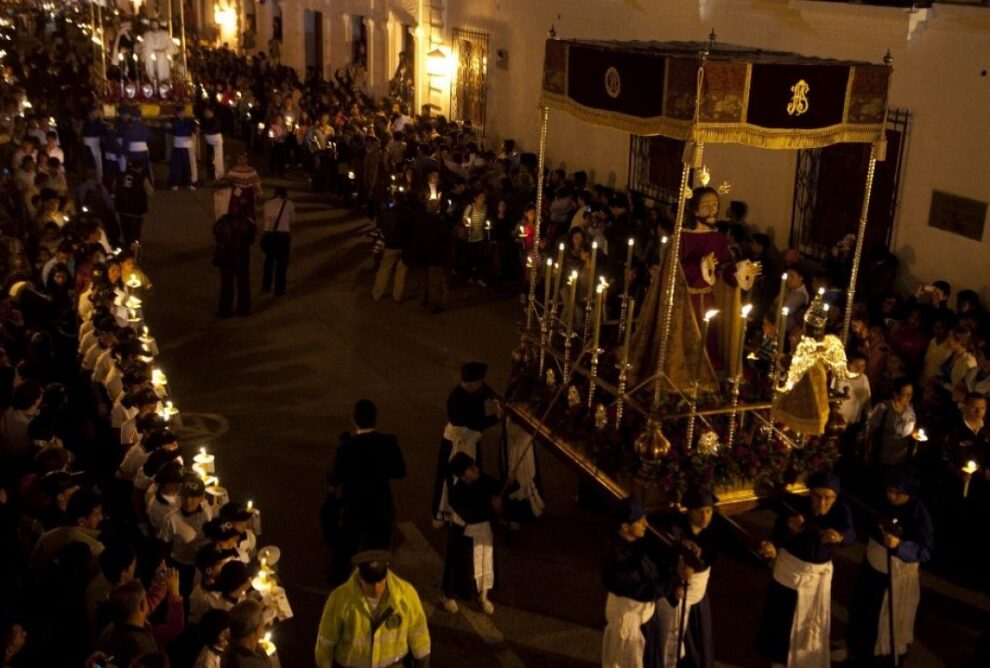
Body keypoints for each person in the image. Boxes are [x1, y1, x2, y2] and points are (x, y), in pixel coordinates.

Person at [756, 471, 855, 668]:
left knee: (810, 625)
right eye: (817, 496)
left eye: (828, 498)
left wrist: (840, 538)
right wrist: (787, 534)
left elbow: (850, 532)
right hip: (790, 575)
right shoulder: (795, 507)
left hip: (816, 579)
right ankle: (778, 660)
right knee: (782, 621)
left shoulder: (841, 510)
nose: (822, 503)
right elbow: (776, 537)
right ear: (810, 493)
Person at [846, 469, 934, 665]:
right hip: (871, 568)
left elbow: (925, 551)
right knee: (862, 612)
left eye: (898, 493)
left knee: (884, 620)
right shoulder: (881, 501)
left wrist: (899, 546)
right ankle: (857, 651)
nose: (892, 496)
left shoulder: (918, 513)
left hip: (894, 576)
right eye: (890, 491)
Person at [326, 399, 406, 586]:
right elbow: (400, 471)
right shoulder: (388, 442)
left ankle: (339, 582)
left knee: (346, 547)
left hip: (355, 507)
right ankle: (376, 582)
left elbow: (336, 478)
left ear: (353, 420)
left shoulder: (346, 448)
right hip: (381, 505)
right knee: (377, 548)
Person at [602, 496, 688, 668]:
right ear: (625, 527)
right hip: (630, 623)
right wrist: (674, 579)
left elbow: (656, 566)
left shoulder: (637, 541)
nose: (645, 525)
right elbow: (644, 589)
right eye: (640, 521)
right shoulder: (616, 556)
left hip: (646, 618)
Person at [315, 550, 431, 668]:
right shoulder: (339, 599)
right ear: (360, 577)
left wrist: (422, 662)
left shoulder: (406, 595)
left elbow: (419, 632)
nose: (376, 588)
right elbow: (326, 642)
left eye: (380, 581)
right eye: (370, 583)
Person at [432, 362, 503, 523]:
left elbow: (487, 391)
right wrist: (496, 417)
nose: (481, 386)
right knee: (453, 479)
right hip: (458, 443)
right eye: (478, 383)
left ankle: (474, 507)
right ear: (469, 383)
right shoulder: (455, 399)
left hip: (471, 439)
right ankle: (447, 513)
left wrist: (496, 398)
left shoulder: (476, 389)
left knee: (473, 474)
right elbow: (474, 422)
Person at [440, 452, 500, 615]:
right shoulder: (458, 491)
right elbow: (471, 515)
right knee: (460, 567)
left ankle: (484, 595)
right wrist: (491, 506)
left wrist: (510, 483)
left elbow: (498, 486)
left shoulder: (482, 479)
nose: (476, 469)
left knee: (485, 562)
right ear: (463, 475)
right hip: (464, 534)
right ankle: (448, 595)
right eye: (471, 468)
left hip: (483, 532)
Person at [212, 201, 257, 317]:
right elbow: (251, 238)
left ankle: (225, 309)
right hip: (241, 257)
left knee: (226, 284)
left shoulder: (222, 222)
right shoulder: (247, 224)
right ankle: (243, 309)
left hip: (225, 257)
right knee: (243, 284)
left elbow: (215, 232)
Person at [220, 599, 280, 667]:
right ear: (255, 630)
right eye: (262, 621)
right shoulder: (253, 664)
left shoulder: (229, 649)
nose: (264, 625)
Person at [260, 187, 294, 297]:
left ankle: (266, 286)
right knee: (281, 264)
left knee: (268, 262)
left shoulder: (267, 204)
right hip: (283, 236)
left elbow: (265, 218)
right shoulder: (289, 204)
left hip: (269, 235)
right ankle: (279, 289)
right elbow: (292, 219)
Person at [114, 159, 154, 246]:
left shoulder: (120, 176)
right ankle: (134, 254)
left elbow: (114, 188)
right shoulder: (142, 178)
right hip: (137, 211)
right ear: (140, 168)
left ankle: (126, 249)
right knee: (135, 235)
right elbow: (150, 192)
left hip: (123, 209)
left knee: (125, 232)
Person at [167, 106, 198, 191]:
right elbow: (169, 130)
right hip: (177, 146)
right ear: (176, 114)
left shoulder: (189, 121)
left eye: (182, 113)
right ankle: (174, 183)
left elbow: (194, 130)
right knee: (176, 166)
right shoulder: (173, 121)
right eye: (179, 113)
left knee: (187, 166)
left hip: (186, 146)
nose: (181, 114)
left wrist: (194, 129)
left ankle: (188, 183)